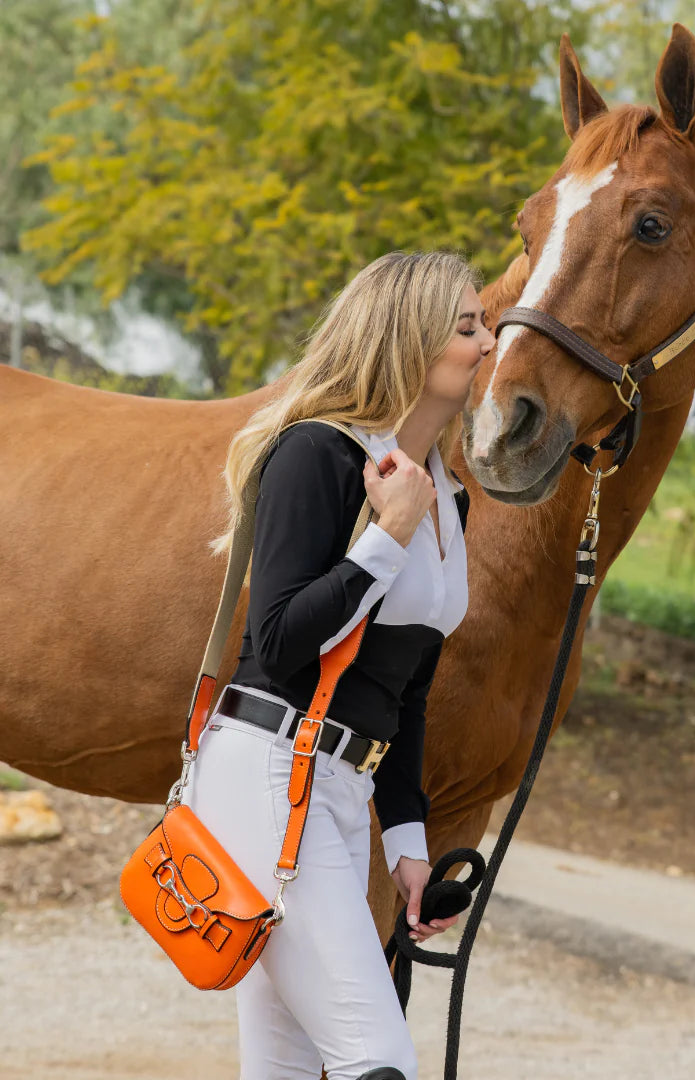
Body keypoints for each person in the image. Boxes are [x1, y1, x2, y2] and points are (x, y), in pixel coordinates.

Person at [182, 250, 495, 1080]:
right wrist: (384, 540)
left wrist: (408, 840)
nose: (489, 343)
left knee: (285, 1068)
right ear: (410, 338)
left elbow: (408, 692)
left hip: (343, 788)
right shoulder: (317, 454)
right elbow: (281, 641)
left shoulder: (443, 494)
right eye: (468, 327)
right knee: (375, 1054)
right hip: (267, 776)